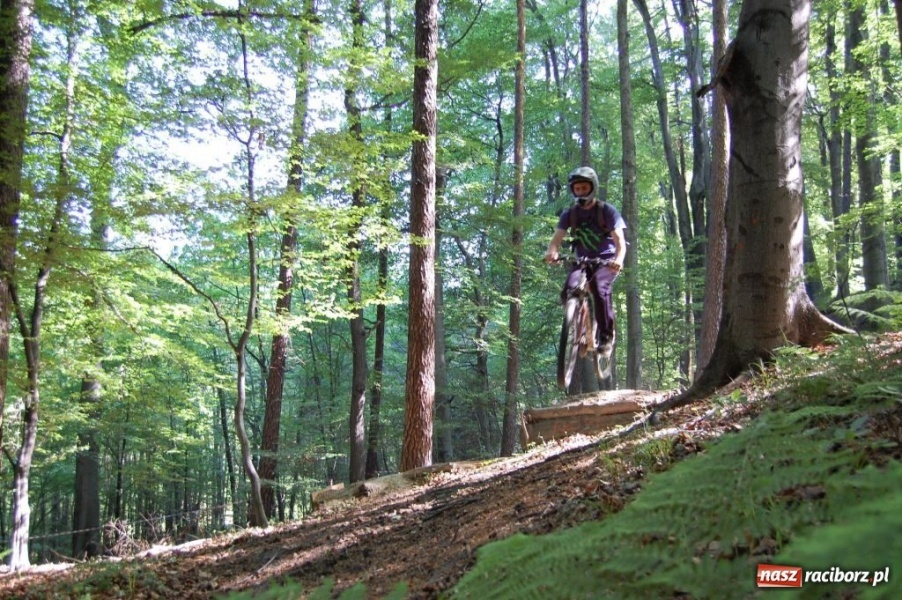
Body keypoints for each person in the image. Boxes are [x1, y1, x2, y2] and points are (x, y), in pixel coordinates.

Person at [544, 166, 627, 358]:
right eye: (577, 188)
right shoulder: (570, 214)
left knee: (599, 287)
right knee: (568, 290)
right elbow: (556, 240)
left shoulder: (607, 211)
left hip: (606, 260)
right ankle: (579, 332)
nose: (581, 192)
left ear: (592, 187)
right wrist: (552, 253)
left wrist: (618, 260)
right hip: (581, 260)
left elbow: (620, 242)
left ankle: (606, 336)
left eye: (584, 188)